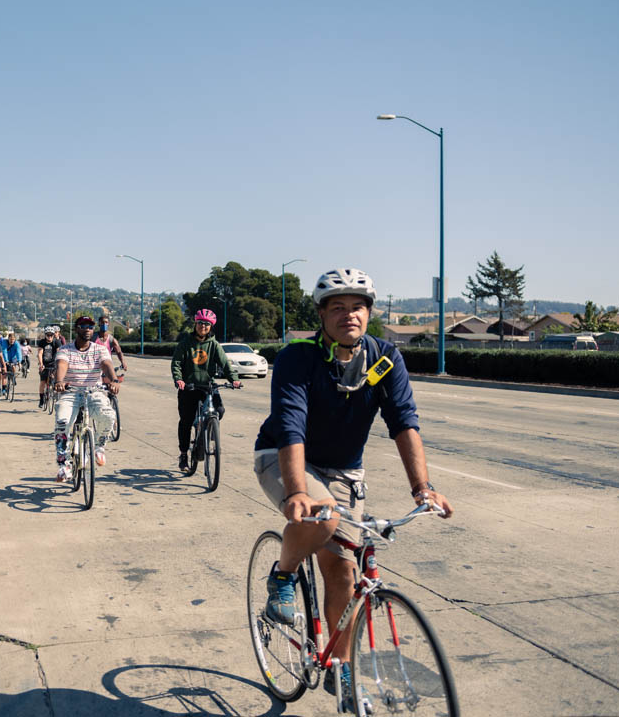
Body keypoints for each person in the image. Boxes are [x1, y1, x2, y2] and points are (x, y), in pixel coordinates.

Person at [253, 268, 454, 712]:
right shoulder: (298, 357)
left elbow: (404, 421)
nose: (349, 315)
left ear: (369, 313)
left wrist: (423, 488)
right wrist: (296, 491)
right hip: (283, 455)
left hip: (345, 468)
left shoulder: (384, 359)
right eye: (338, 308)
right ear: (322, 314)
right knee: (320, 515)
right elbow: (290, 422)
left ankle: (341, 670)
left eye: (358, 307)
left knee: (344, 571)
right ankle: (282, 574)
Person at [170, 308, 241, 473]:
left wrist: (234, 379)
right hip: (188, 387)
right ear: (195, 324)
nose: (203, 326)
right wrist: (179, 379)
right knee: (186, 422)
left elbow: (226, 364)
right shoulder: (185, 343)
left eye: (207, 324)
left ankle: (208, 430)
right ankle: (183, 455)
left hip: (207, 386)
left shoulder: (214, 345)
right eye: (201, 323)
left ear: (211, 327)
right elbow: (177, 363)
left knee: (220, 410)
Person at [52, 316, 122, 482]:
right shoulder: (65, 350)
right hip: (71, 392)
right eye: (83, 326)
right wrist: (60, 382)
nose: (88, 329)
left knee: (108, 416)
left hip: (94, 391)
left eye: (90, 326)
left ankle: (99, 446)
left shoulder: (100, 349)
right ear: (76, 329)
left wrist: (114, 380)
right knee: (62, 422)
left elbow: (106, 365)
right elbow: (62, 365)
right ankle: (64, 465)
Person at [92, 309, 127, 378]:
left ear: (108, 324)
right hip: (93, 366)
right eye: (102, 322)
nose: (104, 324)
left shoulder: (111, 339)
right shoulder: (93, 337)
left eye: (106, 322)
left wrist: (123, 362)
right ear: (99, 324)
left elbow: (119, 351)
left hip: (106, 365)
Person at [36, 326, 62, 408]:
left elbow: (59, 353)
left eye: (51, 335)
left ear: (54, 335)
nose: (50, 337)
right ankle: (41, 399)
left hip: (53, 364)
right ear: (45, 335)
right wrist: (41, 364)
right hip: (45, 364)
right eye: (48, 335)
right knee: (43, 382)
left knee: (54, 379)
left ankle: (53, 393)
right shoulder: (42, 342)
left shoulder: (57, 342)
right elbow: (40, 353)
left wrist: (58, 364)